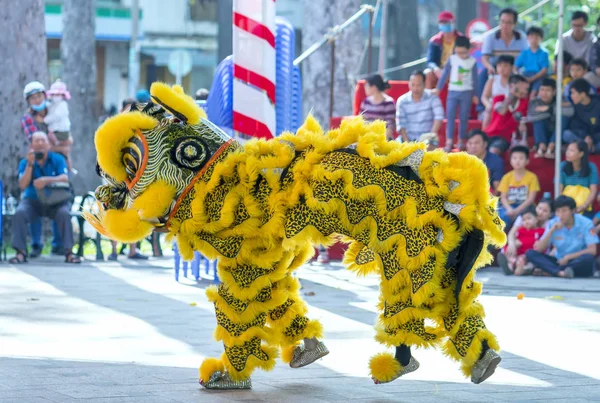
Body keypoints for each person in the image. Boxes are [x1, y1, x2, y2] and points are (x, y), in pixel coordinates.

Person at [9, 132, 80, 264]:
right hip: (33, 202)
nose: (40, 143)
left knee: (64, 214)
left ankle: (69, 252)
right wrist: (30, 165)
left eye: (43, 140)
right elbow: (22, 185)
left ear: (48, 145)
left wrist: (46, 180)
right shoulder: (25, 162)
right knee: (20, 213)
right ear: (31, 145)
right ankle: (21, 252)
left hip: (55, 202)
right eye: (36, 141)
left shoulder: (58, 159)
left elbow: (65, 178)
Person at [20, 81, 63, 257]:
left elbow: (67, 139)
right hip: (36, 162)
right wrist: (58, 147)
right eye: (33, 98)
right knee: (34, 200)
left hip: (56, 161)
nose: (37, 100)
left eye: (39, 95)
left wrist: (62, 149)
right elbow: (37, 144)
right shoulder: (27, 119)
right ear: (28, 101)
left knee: (59, 199)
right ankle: (36, 243)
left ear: (45, 95)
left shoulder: (56, 111)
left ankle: (59, 244)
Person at [106, 97, 150, 261]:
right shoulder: (113, 127)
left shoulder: (140, 130)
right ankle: (113, 250)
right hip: (116, 177)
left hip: (135, 178)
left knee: (135, 213)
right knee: (114, 212)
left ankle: (133, 249)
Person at [526, 195, 598, 278]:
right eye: (558, 211)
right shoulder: (552, 223)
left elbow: (592, 250)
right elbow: (539, 248)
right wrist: (552, 230)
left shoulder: (586, 223)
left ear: (573, 211)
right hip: (559, 260)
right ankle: (560, 273)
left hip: (577, 260)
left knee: (588, 259)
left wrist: (568, 257)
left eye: (564, 211)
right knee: (530, 253)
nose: (560, 214)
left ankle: (552, 271)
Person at [433, 36, 478, 151]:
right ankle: (449, 141)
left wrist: (476, 95)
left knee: (463, 117)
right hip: (453, 91)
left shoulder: (472, 62)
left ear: (469, 50)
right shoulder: (452, 59)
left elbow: (475, 80)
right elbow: (444, 75)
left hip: (466, 92)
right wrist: (438, 88)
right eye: (458, 52)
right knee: (450, 116)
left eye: (463, 53)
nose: (460, 55)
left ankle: (461, 140)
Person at [478, 8, 527, 101]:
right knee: (484, 74)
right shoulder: (490, 37)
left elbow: (526, 57)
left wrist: (516, 68)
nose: (505, 25)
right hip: (496, 68)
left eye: (509, 22)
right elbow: (485, 58)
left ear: (515, 24)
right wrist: (489, 67)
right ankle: (481, 108)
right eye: (502, 22)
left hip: (515, 68)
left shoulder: (522, 38)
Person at [498, 198, 553, 275]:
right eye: (539, 208)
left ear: (550, 214)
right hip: (520, 250)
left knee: (530, 260)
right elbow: (512, 233)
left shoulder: (548, 225)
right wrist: (512, 244)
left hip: (534, 252)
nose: (540, 212)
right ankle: (510, 265)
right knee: (510, 252)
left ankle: (523, 269)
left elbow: (543, 246)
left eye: (545, 211)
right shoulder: (526, 215)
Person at [485, 74, 530, 155]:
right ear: (512, 86)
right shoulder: (498, 98)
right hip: (489, 134)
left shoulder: (524, 102)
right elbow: (502, 111)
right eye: (522, 88)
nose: (525, 92)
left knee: (493, 151)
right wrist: (511, 95)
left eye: (526, 89)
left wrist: (524, 140)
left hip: (504, 137)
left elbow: (522, 124)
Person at [396, 70, 444, 143]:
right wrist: (407, 142)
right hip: (407, 138)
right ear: (409, 84)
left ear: (424, 84)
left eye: (418, 85)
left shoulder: (433, 98)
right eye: (413, 85)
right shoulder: (402, 100)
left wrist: (430, 136)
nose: (415, 88)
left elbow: (439, 117)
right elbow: (400, 124)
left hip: (428, 138)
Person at [497, 145, 540, 226]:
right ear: (510, 161)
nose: (517, 161)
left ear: (527, 161)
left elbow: (531, 199)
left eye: (521, 158)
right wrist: (509, 209)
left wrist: (517, 210)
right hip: (509, 206)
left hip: (526, 206)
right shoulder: (506, 177)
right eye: (514, 158)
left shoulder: (532, 177)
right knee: (501, 216)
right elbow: (503, 197)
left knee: (528, 217)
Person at [425, 11, 464, 89]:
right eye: (442, 22)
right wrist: (436, 69)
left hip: (455, 70)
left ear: (453, 23)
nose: (444, 24)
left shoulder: (461, 39)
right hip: (439, 71)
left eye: (447, 22)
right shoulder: (434, 41)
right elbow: (430, 61)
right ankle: (428, 98)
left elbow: (464, 58)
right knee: (427, 73)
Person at [559, 140, 598, 218]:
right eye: (567, 150)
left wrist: (584, 206)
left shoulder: (591, 167)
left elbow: (593, 191)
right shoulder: (562, 166)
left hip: (585, 206)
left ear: (581, 154)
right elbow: (559, 190)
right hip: (566, 205)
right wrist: (566, 208)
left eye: (572, 150)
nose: (567, 153)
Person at [502, 206, 545, 276]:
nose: (526, 222)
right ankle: (511, 266)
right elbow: (515, 239)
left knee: (529, 263)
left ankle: (522, 269)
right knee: (510, 252)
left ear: (537, 219)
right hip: (519, 253)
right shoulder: (521, 230)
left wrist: (522, 242)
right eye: (524, 220)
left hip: (529, 255)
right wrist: (515, 243)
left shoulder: (540, 231)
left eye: (529, 218)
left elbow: (538, 244)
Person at [563, 78, 600, 153]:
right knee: (566, 134)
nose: (571, 96)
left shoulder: (598, 103)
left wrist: (592, 139)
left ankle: (582, 149)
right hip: (584, 138)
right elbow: (575, 127)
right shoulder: (576, 106)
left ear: (583, 94)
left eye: (573, 93)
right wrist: (586, 137)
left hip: (597, 138)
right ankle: (586, 148)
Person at [524, 78, 557, 158]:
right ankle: (542, 147)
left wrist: (549, 109)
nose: (544, 93)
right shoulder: (534, 102)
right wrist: (552, 111)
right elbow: (530, 117)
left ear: (554, 92)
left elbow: (570, 111)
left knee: (563, 119)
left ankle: (551, 147)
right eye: (542, 90)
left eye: (548, 90)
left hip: (557, 132)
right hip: (542, 131)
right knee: (538, 120)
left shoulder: (560, 100)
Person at [466, 129, 504, 194]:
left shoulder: (496, 161)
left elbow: (496, 189)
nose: (473, 146)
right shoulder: (462, 159)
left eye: (476, 143)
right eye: (470, 143)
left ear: (485, 144)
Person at [515, 26, 549, 98]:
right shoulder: (524, 53)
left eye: (536, 37)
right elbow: (515, 67)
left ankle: (532, 103)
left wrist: (532, 78)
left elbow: (544, 70)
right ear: (527, 38)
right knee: (521, 90)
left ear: (541, 39)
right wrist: (519, 76)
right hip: (526, 76)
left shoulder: (544, 53)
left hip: (539, 76)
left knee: (533, 93)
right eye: (531, 37)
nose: (533, 39)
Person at [480, 55, 514, 127]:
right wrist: (488, 105)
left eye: (505, 66)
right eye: (499, 66)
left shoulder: (515, 81)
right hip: (494, 107)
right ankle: (485, 133)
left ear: (512, 67)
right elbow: (484, 97)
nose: (502, 68)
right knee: (489, 110)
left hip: (509, 107)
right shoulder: (493, 79)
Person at [360, 74, 396, 140]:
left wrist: (378, 141)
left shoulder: (388, 103)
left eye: (366, 85)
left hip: (383, 139)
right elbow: (361, 121)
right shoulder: (366, 102)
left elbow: (390, 127)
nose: (364, 87)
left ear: (374, 87)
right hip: (366, 138)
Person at [44, 79, 73, 162]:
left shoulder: (63, 105)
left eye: (58, 94)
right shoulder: (52, 104)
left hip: (61, 131)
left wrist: (45, 120)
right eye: (54, 94)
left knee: (59, 148)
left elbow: (56, 116)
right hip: (55, 131)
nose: (56, 96)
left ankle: (58, 145)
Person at [585, 15, 600, 88]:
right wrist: (597, 70)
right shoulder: (596, 44)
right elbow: (593, 64)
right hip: (598, 75)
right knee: (588, 77)